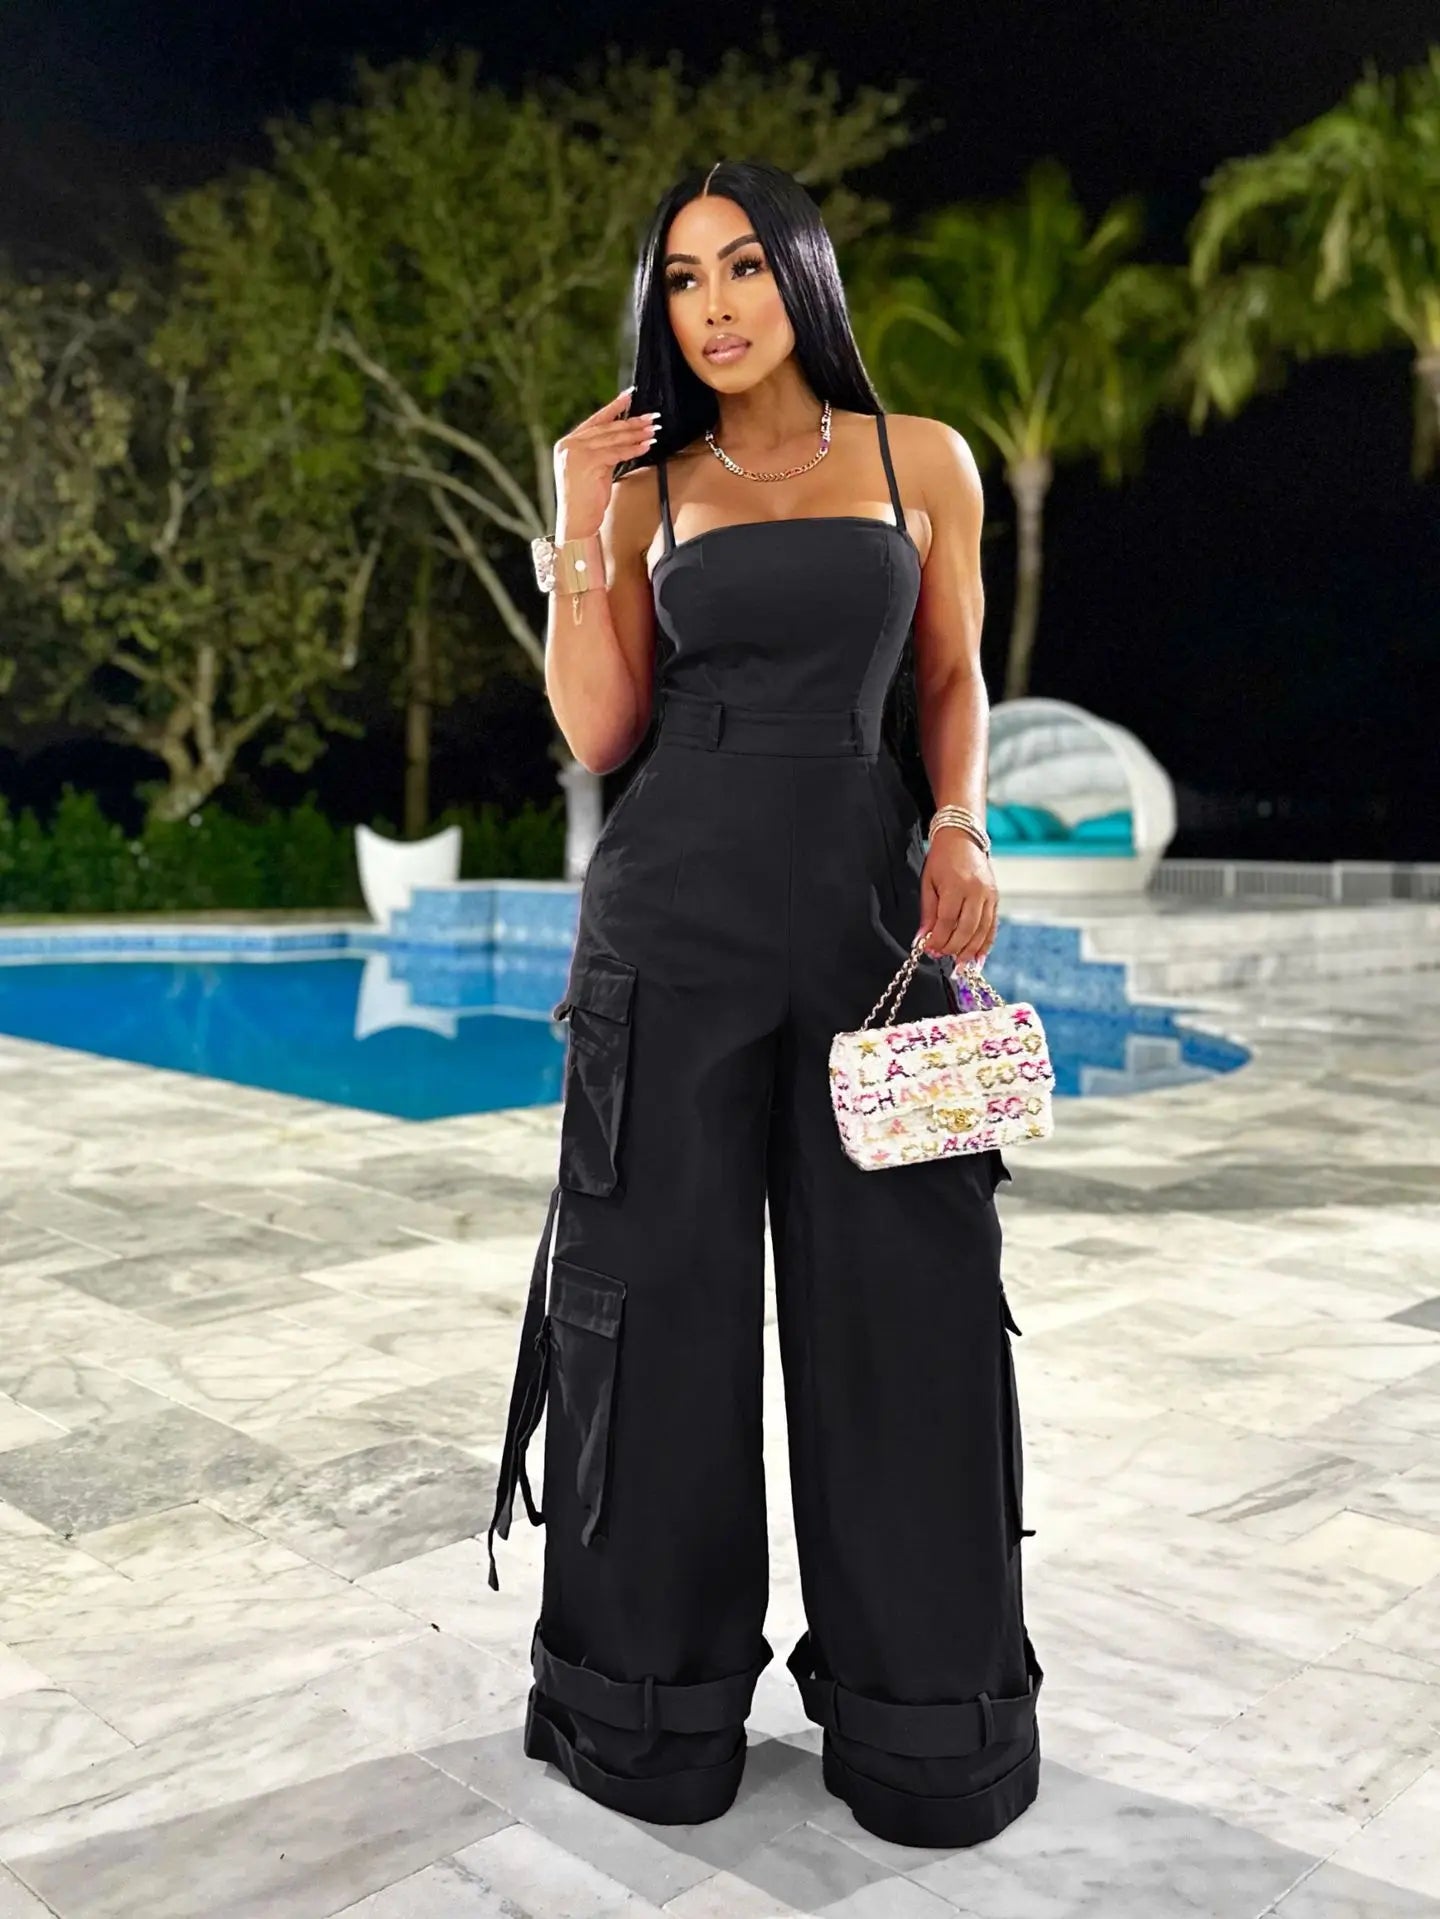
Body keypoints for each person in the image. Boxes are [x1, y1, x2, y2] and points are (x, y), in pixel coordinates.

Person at [486, 157, 1042, 1851]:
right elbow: (598, 735)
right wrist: (579, 527)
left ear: (802, 276)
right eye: (679, 280)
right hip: (671, 928)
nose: (712, 305)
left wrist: (960, 822)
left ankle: (930, 1727)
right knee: (654, 1321)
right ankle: (645, 1715)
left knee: (917, 1319)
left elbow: (948, 678)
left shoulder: (917, 457)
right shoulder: (651, 487)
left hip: (881, 932)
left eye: (741, 267)